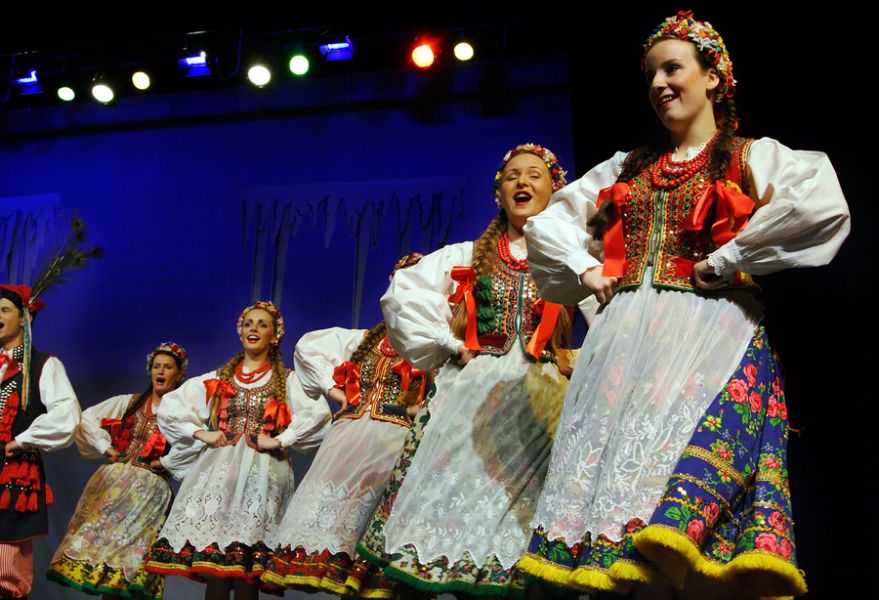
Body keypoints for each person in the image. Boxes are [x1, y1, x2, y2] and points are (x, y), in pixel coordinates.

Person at [516, 11, 850, 599]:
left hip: (709, 337)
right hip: (624, 345)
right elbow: (550, 225)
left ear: (713, 77)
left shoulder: (749, 156)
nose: (658, 84)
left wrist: (728, 256)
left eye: (672, 69)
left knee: (676, 485)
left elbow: (820, 204)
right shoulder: (626, 168)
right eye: (651, 74)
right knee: (618, 485)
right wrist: (587, 269)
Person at [362, 144, 588, 596]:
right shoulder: (467, 255)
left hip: (540, 402)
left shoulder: (573, 256)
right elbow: (403, 294)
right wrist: (451, 343)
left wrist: (579, 355)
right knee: (452, 504)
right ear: (499, 194)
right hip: (471, 396)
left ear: (554, 190)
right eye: (513, 176)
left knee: (521, 521)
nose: (523, 182)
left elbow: (612, 309)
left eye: (535, 175)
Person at [262, 253, 430, 598]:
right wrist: (334, 389)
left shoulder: (432, 345)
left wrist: (422, 407)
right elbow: (307, 348)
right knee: (343, 543)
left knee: (378, 551)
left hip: (395, 445)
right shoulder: (360, 341)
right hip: (349, 443)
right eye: (401, 281)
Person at [143, 301, 331, 600]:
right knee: (217, 564)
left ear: (275, 336)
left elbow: (318, 416)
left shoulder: (288, 380)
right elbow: (173, 407)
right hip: (222, 473)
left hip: (263, 474)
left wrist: (281, 440)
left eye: (262, 324)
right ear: (240, 331)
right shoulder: (220, 378)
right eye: (248, 324)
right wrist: (202, 432)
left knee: (246, 569)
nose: (253, 329)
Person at [47, 341, 194, 600]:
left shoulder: (182, 414)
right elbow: (86, 419)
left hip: (148, 494)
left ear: (179, 374)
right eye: (157, 366)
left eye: (168, 367)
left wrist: (166, 463)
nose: (160, 371)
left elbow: (196, 445)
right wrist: (105, 446)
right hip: (113, 488)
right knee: (106, 557)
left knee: (130, 564)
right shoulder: (129, 403)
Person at [0, 284, 80, 599]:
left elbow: (67, 415)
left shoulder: (44, 365)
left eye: (4, 310)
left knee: (5, 563)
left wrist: (23, 439)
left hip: (13, 473)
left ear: (24, 318)